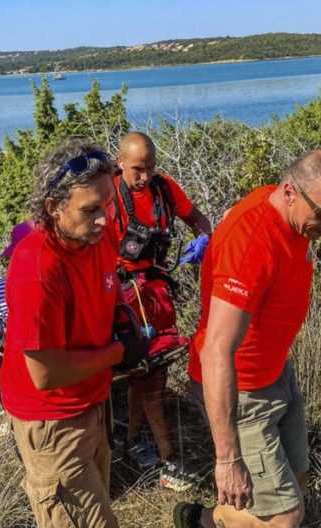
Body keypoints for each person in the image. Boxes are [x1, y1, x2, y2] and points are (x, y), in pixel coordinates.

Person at [173, 150, 321, 528]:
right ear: (290, 191)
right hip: (244, 389)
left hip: (276, 371)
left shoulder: (293, 217)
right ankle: (199, 523)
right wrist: (227, 458)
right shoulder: (251, 241)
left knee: (295, 486)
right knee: (284, 514)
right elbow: (216, 349)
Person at [0, 140, 148, 528]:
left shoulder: (96, 236)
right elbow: (45, 373)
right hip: (50, 418)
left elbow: (108, 288)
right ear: (54, 207)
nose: (105, 218)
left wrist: (123, 319)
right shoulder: (38, 265)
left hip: (90, 402)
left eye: (107, 204)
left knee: (64, 526)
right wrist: (119, 353)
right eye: (90, 209)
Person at [112, 131, 212, 491]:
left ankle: (135, 440)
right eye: (138, 169)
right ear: (120, 161)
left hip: (156, 292)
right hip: (124, 296)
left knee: (152, 375)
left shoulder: (164, 189)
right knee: (146, 376)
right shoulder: (108, 195)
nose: (145, 176)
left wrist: (205, 238)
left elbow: (196, 217)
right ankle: (168, 455)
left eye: (151, 167)